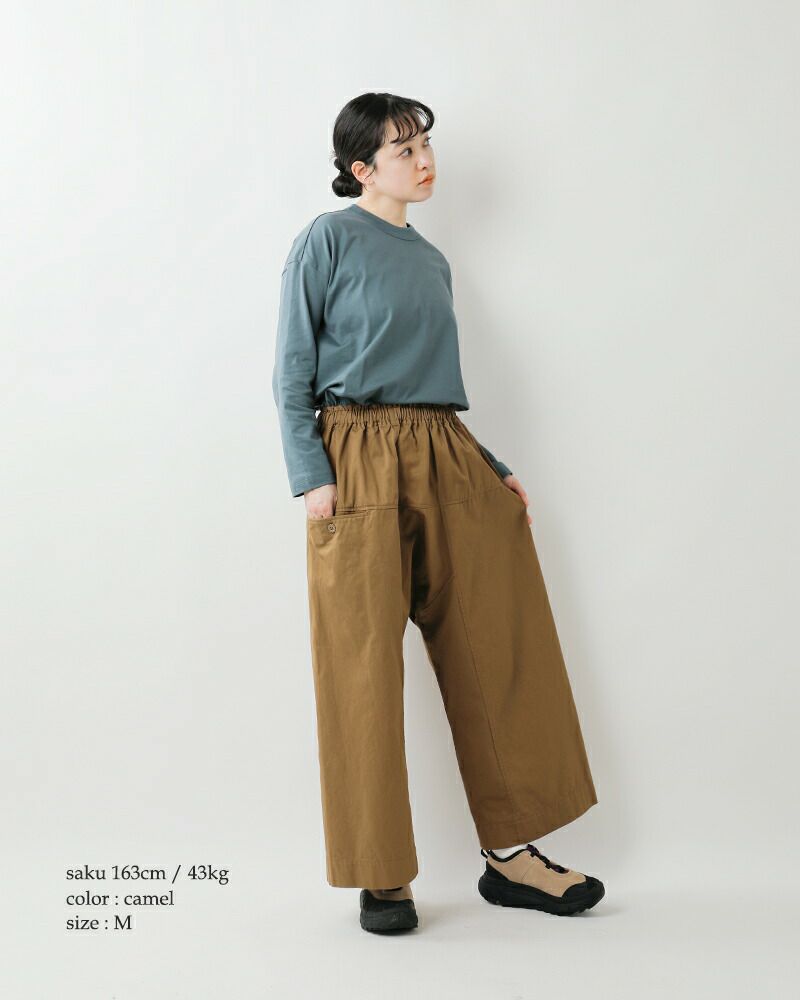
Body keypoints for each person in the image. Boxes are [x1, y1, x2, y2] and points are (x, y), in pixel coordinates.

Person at [272, 92, 605, 933]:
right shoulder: (326, 239)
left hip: (444, 449)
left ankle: (511, 856)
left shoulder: (432, 260)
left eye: (425, 145)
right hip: (354, 456)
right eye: (404, 149)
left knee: (496, 642)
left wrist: (491, 467)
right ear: (362, 168)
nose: (424, 161)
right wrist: (311, 476)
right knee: (361, 668)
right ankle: (381, 874)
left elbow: (432, 390)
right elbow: (291, 370)